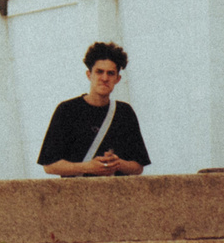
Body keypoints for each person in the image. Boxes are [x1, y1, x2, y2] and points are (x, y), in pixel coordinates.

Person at [37, 42, 149, 177]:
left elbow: (138, 166)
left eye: (111, 73)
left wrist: (117, 164)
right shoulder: (67, 111)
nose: (105, 78)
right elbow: (49, 165)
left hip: (116, 195)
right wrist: (88, 167)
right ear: (89, 74)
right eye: (99, 71)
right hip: (77, 196)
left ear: (118, 79)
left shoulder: (124, 112)